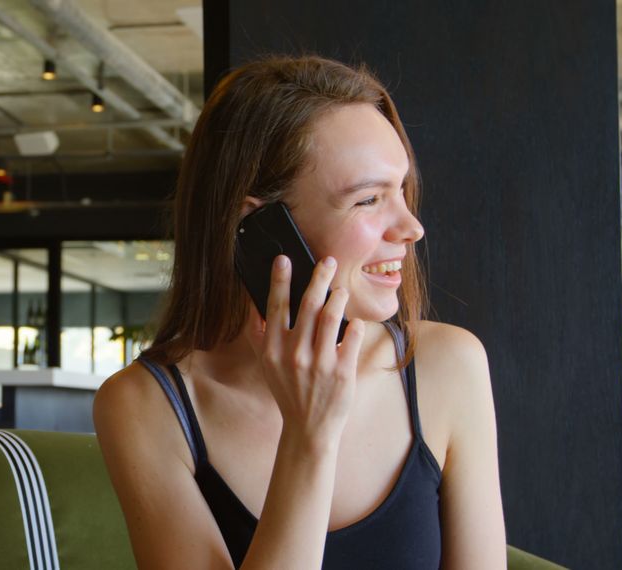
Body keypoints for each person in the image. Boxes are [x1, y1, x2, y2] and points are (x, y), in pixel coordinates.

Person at [92, 55, 506, 569]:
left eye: (400, 190)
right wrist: (308, 436)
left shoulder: (449, 365)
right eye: (368, 200)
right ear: (260, 229)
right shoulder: (145, 407)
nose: (411, 226)